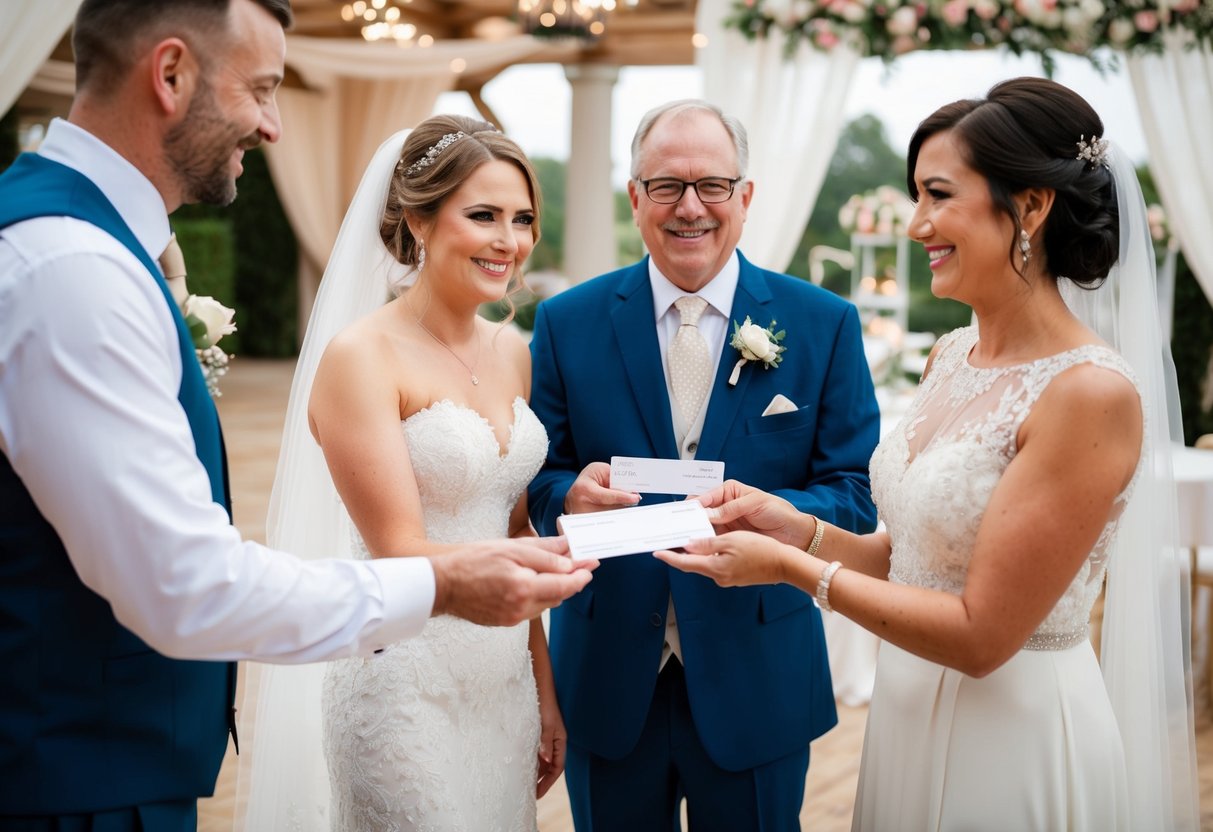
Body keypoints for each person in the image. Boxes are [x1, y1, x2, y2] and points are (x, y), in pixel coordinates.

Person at [0, 2, 591, 827]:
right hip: (69, 772)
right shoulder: (69, 266)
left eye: (521, 217)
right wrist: (444, 578)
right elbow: (184, 583)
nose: (274, 126)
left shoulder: (94, 249)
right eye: (263, 88)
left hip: (126, 755)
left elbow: (517, 520)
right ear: (170, 74)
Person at [657, 77, 1199, 831]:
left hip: (1010, 731)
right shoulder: (950, 355)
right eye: (916, 196)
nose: (917, 225)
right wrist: (791, 526)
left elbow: (981, 635)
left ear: (1031, 209)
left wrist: (789, 569)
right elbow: (909, 559)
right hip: (906, 710)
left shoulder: (1089, 392)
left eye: (938, 195)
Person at [527, 99, 880, 830]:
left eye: (711, 186)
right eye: (666, 186)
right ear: (635, 198)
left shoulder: (822, 324)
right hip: (608, 674)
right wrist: (568, 494)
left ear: (744, 197)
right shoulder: (567, 323)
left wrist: (783, 519)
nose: (690, 207)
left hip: (758, 675)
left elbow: (853, 494)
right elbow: (538, 477)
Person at [240, 115, 571, 830]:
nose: (507, 242)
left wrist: (543, 687)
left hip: (503, 685)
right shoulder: (362, 357)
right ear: (417, 221)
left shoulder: (514, 349)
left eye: (521, 220)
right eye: (481, 215)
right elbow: (398, 549)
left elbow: (511, 523)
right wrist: (551, 557)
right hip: (404, 685)